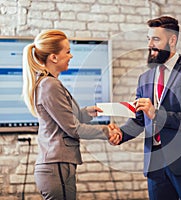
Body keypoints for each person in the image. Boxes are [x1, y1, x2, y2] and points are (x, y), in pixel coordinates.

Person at [110, 16, 181, 200]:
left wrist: (157, 114)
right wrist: (121, 134)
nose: (150, 44)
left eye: (156, 39)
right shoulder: (145, 78)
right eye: (148, 39)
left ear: (172, 40)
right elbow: (140, 120)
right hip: (154, 164)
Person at [22, 29, 121, 200]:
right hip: (56, 166)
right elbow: (73, 128)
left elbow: (66, 119)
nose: (71, 56)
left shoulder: (49, 83)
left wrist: (89, 112)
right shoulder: (50, 84)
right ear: (54, 57)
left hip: (57, 166)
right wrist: (107, 131)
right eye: (67, 52)